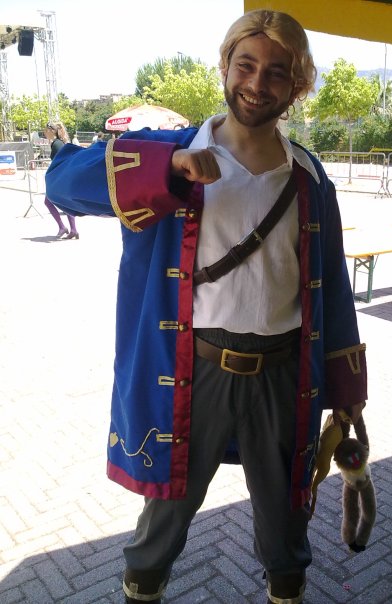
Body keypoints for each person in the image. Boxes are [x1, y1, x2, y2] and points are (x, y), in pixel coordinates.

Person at [46, 10, 367, 604]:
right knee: (161, 528)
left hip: (282, 376)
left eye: (276, 72)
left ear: (296, 86)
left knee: (286, 530)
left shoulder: (309, 176)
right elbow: (60, 183)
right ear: (225, 67)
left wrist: (347, 392)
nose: (257, 83)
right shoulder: (171, 152)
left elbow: (332, 287)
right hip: (191, 374)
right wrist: (165, 169)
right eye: (246, 65)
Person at [43, 121, 79, 239]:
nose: (44, 133)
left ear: (51, 131)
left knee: (49, 202)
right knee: (65, 203)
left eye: (45, 131)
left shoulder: (57, 144)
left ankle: (63, 227)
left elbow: (62, 162)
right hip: (63, 178)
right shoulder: (58, 143)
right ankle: (72, 229)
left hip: (60, 178)